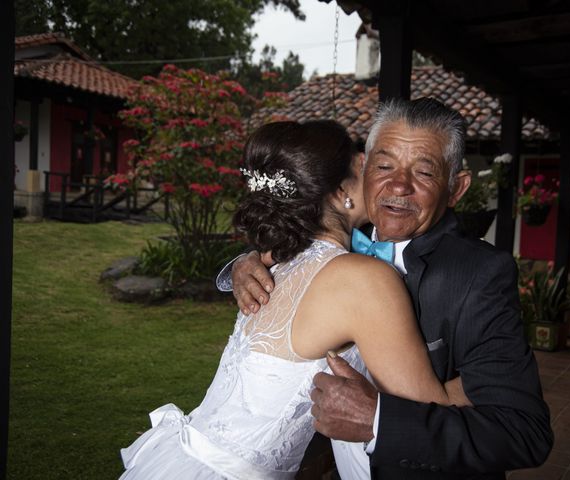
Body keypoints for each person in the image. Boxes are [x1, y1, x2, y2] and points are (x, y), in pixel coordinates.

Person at [119, 119, 469, 480]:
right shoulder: (362, 280)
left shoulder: (278, 260)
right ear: (340, 192)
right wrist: (490, 382)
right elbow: (428, 412)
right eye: (365, 165)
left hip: (180, 459)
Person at [228, 98, 553, 479]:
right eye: (384, 166)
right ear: (363, 169)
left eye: (425, 172)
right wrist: (245, 261)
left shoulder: (479, 274)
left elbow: (524, 433)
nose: (399, 184)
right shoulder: (334, 244)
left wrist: (379, 420)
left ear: (456, 188)